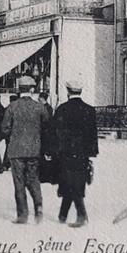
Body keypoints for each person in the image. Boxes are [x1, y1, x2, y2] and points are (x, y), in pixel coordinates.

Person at [0, 76, 53, 224]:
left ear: (19, 89)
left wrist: (13, 134)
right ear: (32, 89)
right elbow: (47, 129)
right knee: (33, 179)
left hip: (16, 150)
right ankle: (39, 207)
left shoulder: (12, 107)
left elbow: (4, 129)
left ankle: (22, 215)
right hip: (34, 150)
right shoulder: (40, 107)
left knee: (19, 182)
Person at [52, 80, 99, 227]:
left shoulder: (62, 109)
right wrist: (91, 153)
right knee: (76, 181)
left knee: (70, 182)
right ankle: (63, 214)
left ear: (68, 92)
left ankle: (81, 215)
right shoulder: (90, 110)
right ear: (80, 91)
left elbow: (56, 132)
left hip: (66, 153)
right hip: (82, 153)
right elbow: (93, 134)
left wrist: (54, 151)